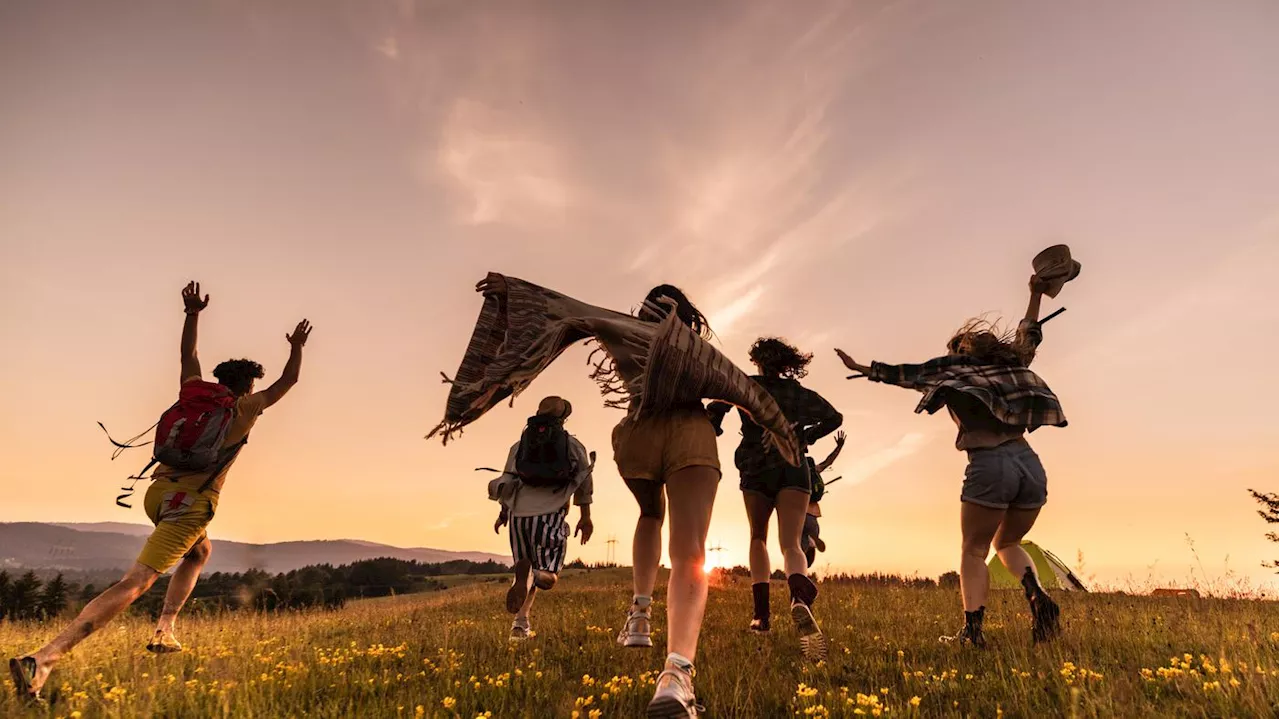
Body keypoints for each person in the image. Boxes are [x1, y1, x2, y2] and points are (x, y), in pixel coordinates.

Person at [432, 274, 799, 718]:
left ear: (645, 311)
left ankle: (640, 614)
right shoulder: (695, 350)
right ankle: (677, 674)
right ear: (686, 317)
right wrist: (783, 437)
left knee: (649, 516)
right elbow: (747, 392)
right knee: (690, 553)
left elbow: (561, 305)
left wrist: (510, 290)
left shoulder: (624, 329)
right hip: (690, 436)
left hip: (637, 437)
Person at [9, 282, 311, 701]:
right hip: (192, 505)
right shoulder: (246, 407)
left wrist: (193, 313)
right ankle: (42, 659)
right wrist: (297, 345)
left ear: (217, 379)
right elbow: (289, 380)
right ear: (246, 387)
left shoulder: (192, 392)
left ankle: (165, 629)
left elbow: (187, 356)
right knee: (136, 582)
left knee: (200, 552)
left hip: (157, 494)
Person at [835, 276, 1066, 648]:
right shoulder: (1013, 366)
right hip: (1030, 465)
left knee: (974, 550)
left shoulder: (955, 370)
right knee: (1008, 542)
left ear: (961, 350)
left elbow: (910, 375)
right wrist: (1036, 293)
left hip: (989, 463)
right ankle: (1038, 597)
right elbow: (1029, 335)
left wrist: (866, 369)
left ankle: (972, 634)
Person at [709, 337, 841, 661]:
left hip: (756, 470)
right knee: (792, 544)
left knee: (757, 538)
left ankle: (761, 616)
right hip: (795, 468)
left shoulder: (746, 385)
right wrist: (805, 436)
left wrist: (714, 423)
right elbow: (835, 418)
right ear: (787, 364)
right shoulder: (798, 393)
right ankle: (798, 596)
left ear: (757, 360)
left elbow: (718, 403)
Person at [489, 396, 594, 642]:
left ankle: (519, 626)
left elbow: (508, 481)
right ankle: (532, 576)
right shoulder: (572, 444)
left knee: (523, 574)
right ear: (564, 418)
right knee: (546, 575)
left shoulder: (520, 445)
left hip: (518, 517)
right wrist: (585, 517)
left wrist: (503, 513)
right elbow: (584, 483)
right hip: (550, 513)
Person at [802, 430, 845, 567]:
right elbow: (829, 460)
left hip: (798, 514)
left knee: (796, 547)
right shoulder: (815, 469)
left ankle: (800, 566)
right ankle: (813, 540)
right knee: (811, 544)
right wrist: (839, 446)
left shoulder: (797, 472)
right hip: (813, 516)